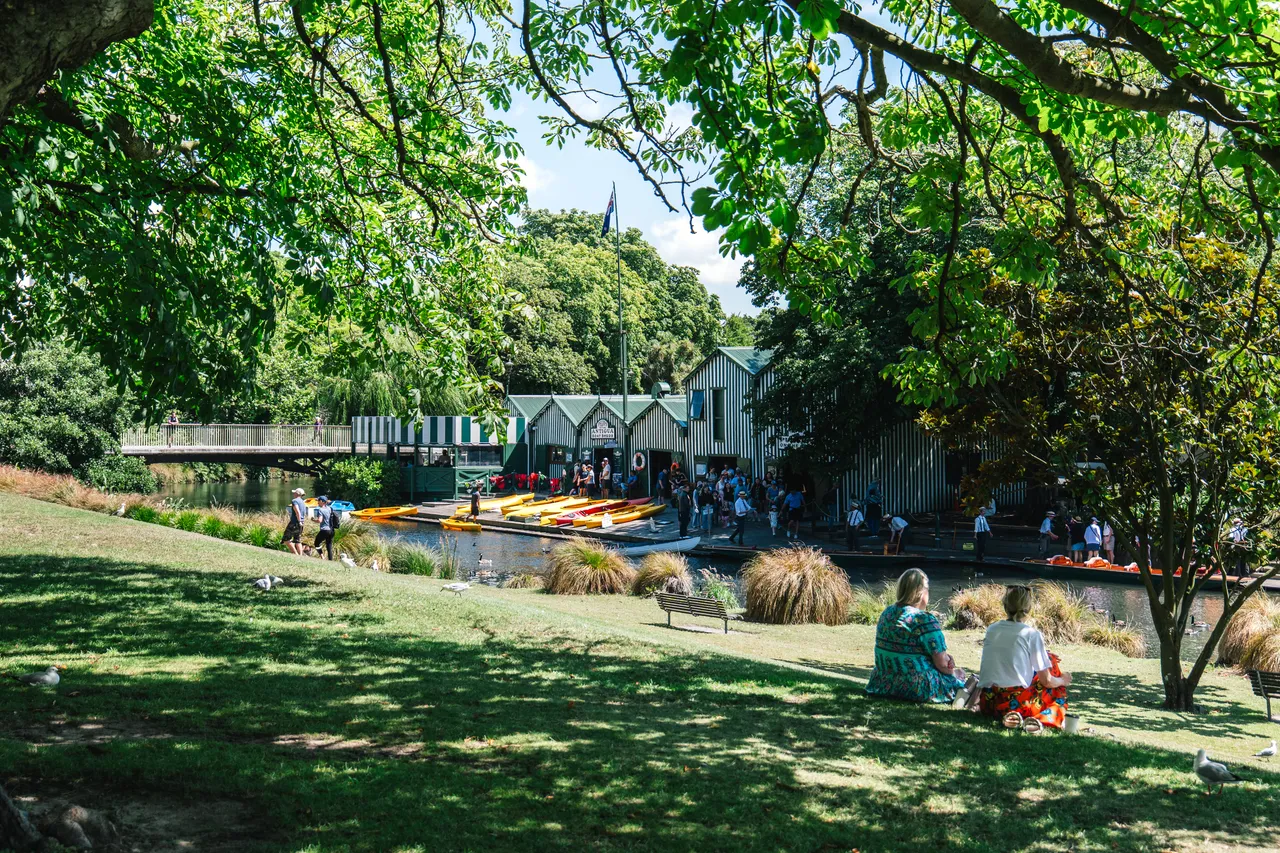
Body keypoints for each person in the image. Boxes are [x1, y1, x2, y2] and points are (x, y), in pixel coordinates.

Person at [866, 568, 970, 704]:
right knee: (964, 680)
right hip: (916, 686)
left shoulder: (887, 613)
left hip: (882, 682)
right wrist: (955, 674)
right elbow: (942, 665)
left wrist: (945, 660)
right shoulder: (923, 619)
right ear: (921, 592)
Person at [977, 585, 1072, 730]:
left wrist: (1045, 655)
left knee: (1049, 658)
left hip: (989, 701)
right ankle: (1043, 717)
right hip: (1017, 700)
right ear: (1028, 609)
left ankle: (1011, 715)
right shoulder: (1031, 634)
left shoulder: (992, 629)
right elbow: (1046, 681)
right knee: (1053, 675)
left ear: (1005, 606)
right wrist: (1062, 680)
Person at [282, 487, 307, 556]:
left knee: (286, 539)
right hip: (301, 523)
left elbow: (297, 512)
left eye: (294, 493)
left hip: (295, 522)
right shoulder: (303, 501)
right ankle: (300, 555)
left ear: (297, 493)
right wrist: (301, 521)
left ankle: (295, 554)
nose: (293, 494)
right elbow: (303, 513)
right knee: (297, 540)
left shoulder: (295, 501)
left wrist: (298, 521)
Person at [313, 496, 337, 560]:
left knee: (316, 543)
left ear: (322, 502)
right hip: (331, 530)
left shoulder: (320, 510)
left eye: (318, 501)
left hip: (324, 530)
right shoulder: (329, 508)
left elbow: (319, 520)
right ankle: (330, 560)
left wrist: (313, 520)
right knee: (329, 546)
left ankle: (322, 557)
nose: (317, 502)